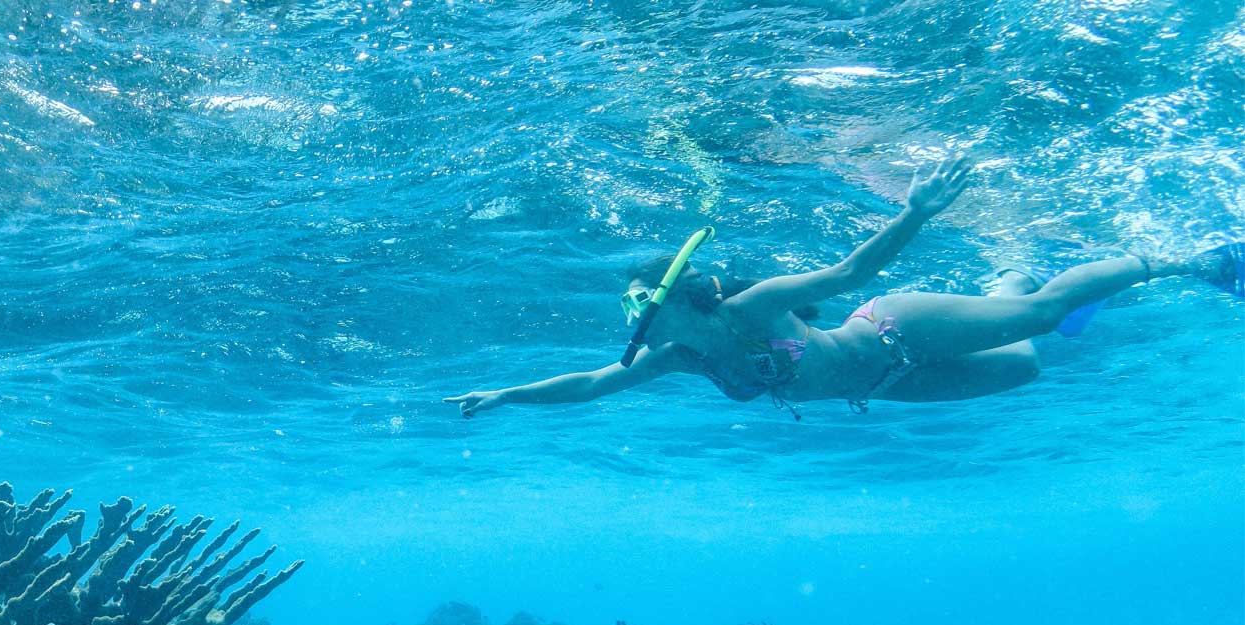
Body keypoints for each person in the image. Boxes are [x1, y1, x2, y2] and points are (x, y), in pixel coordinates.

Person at [444, 155, 1243, 420]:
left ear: (682, 298)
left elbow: (851, 276)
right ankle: (1010, 264)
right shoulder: (679, 359)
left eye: (640, 307)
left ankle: (1180, 260)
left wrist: (914, 213)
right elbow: (590, 383)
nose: (633, 326)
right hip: (887, 389)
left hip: (894, 332)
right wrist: (503, 395)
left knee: (1040, 316)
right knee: (1029, 364)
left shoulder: (748, 307)